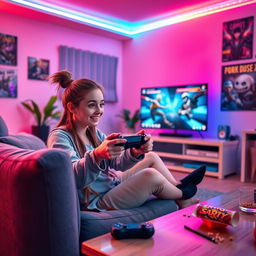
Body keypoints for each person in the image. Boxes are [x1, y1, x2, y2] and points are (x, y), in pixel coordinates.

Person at [47, 70, 206, 212]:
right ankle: (183, 194)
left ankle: (178, 190)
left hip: (111, 183)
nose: (99, 111)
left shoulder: (93, 133)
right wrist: (98, 155)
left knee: (151, 157)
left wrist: (135, 153)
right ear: (72, 107)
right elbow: (70, 178)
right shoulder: (60, 136)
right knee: (150, 176)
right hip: (96, 199)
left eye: (101, 104)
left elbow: (117, 163)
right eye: (91, 105)